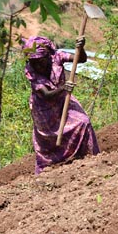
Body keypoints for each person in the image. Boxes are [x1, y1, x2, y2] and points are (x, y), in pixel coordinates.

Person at [22, 36, 100, 173]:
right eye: (34, 62)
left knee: (83, 122)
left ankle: (91, 158)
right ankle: (49, 170)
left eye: (40, 61)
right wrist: (64, 88)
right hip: (43, 108)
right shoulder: (30, 70)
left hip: (63, 100)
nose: (38, 65)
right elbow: (46, 94)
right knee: (48, 140)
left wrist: (81, 47)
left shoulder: (57, 56)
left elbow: (80, 59)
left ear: (47, 55)